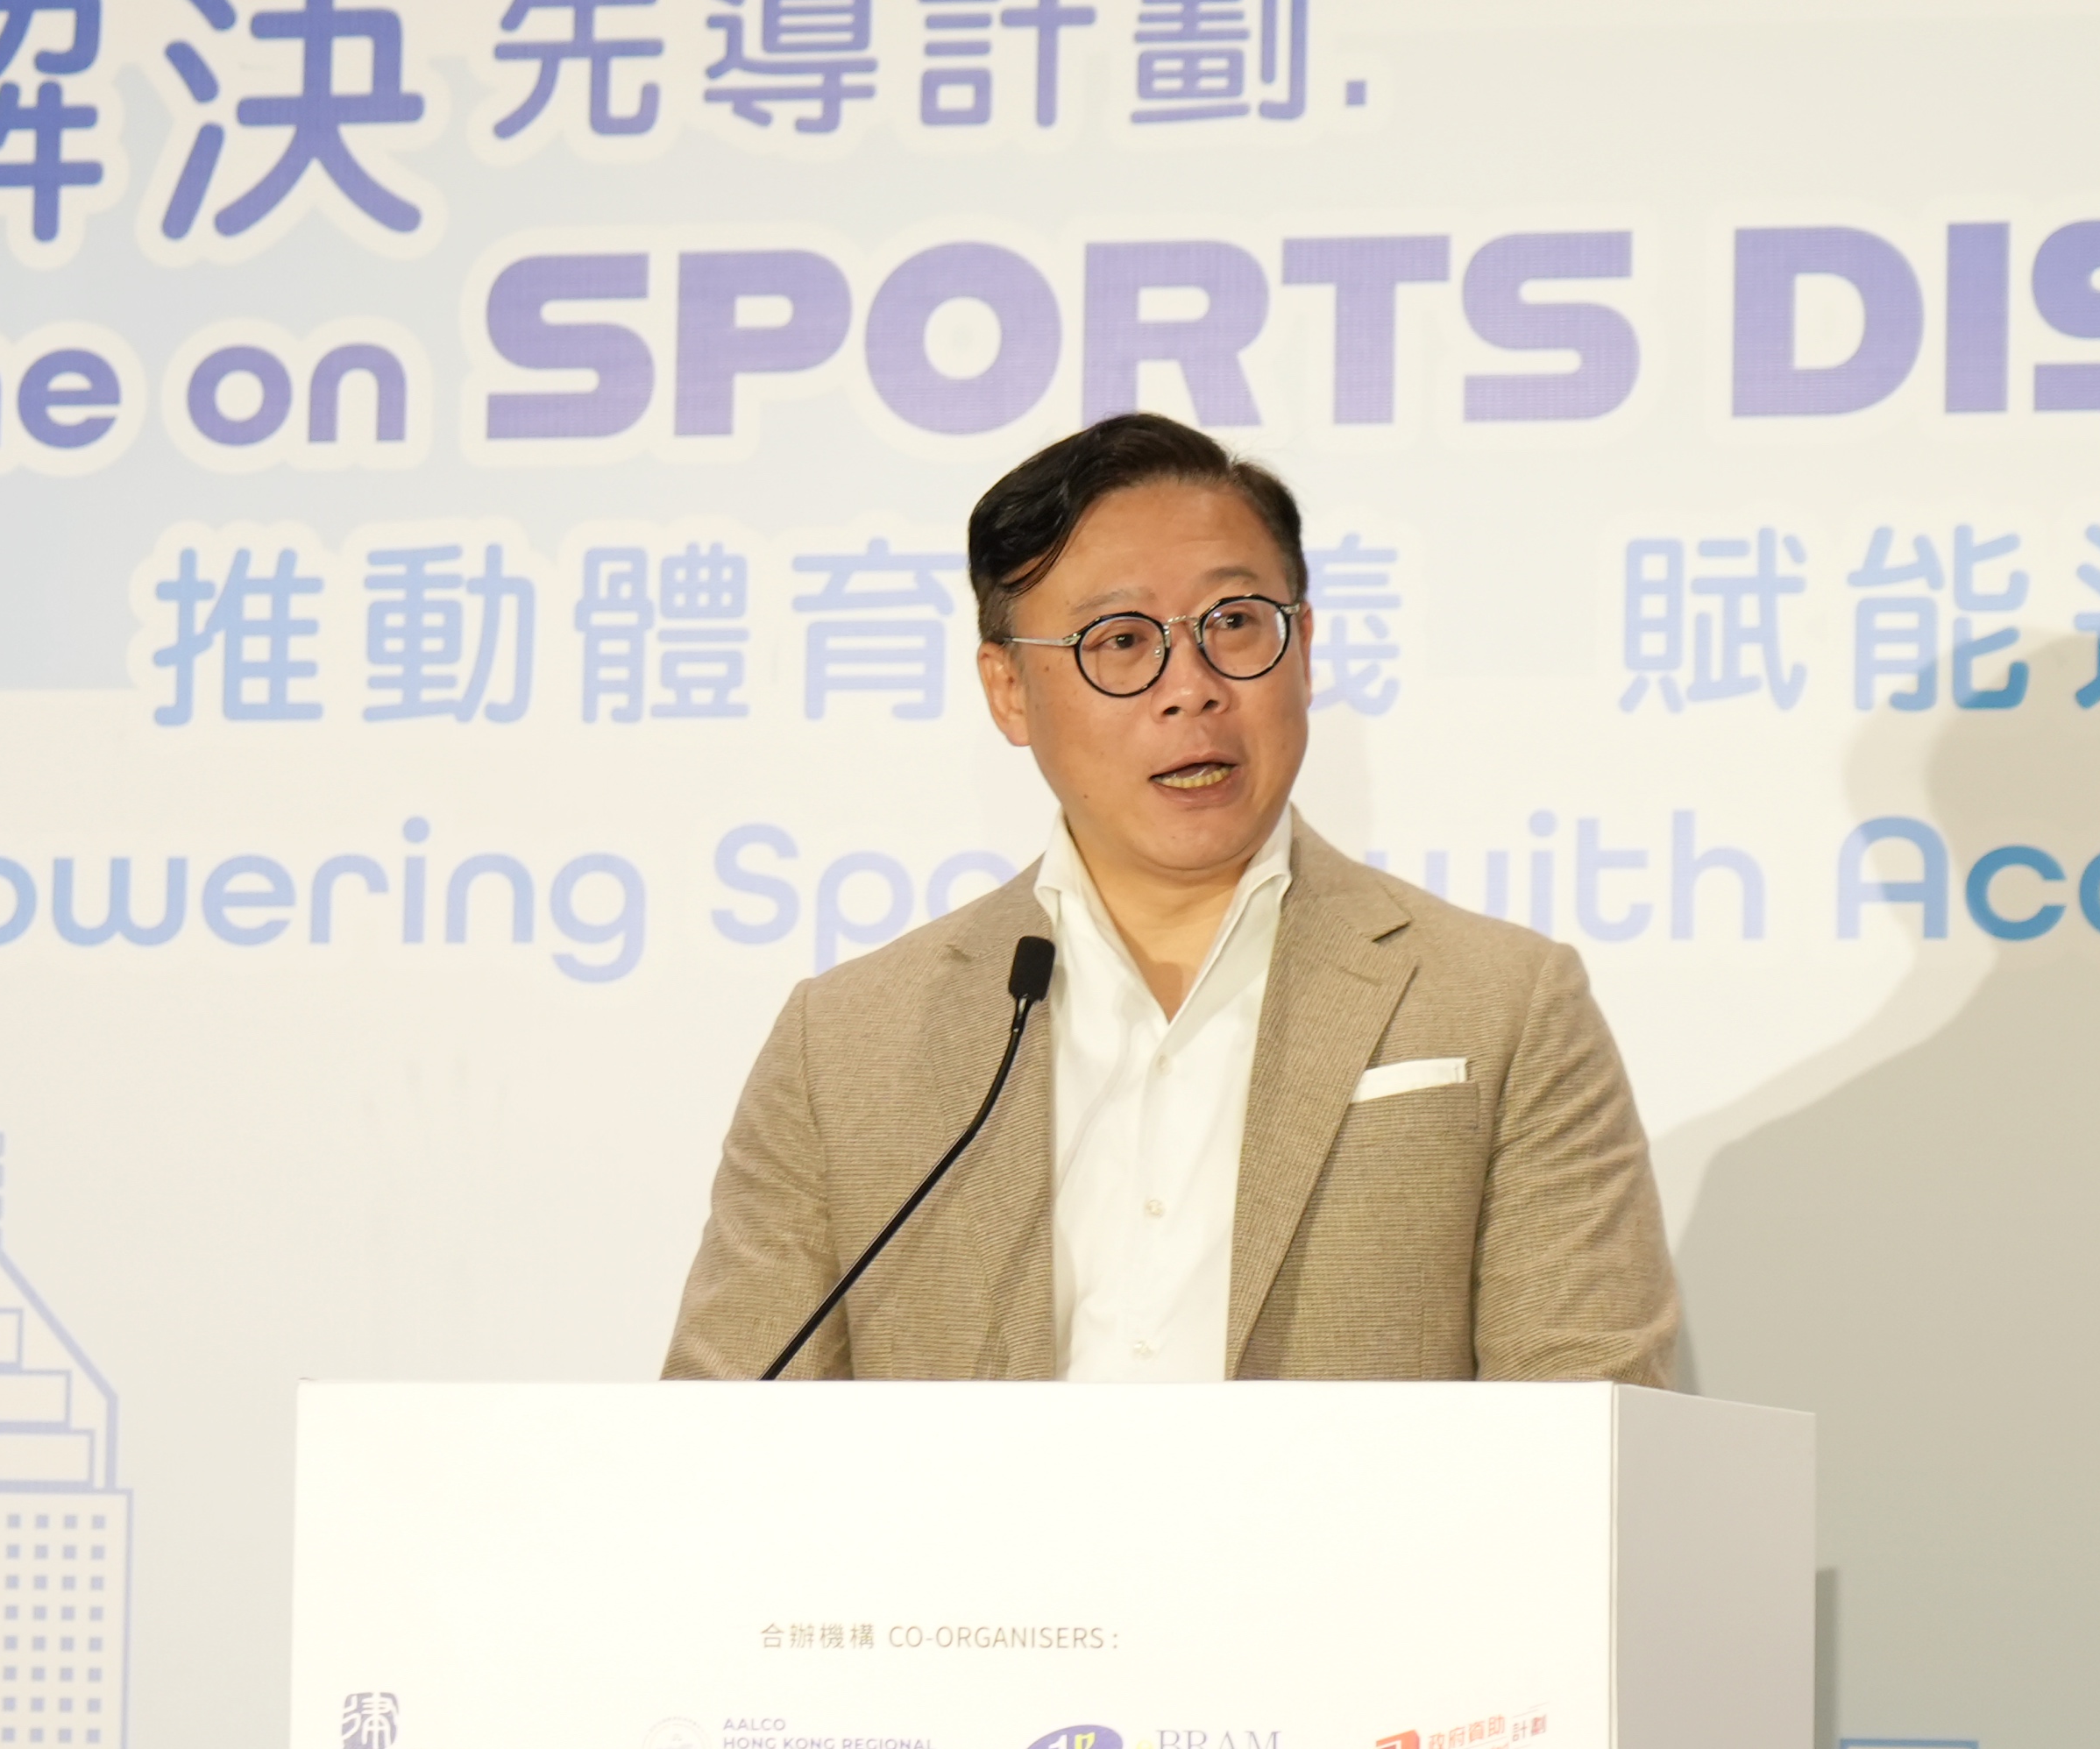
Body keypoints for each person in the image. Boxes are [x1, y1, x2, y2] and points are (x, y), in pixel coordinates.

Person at [663, 413, 1679, 1381]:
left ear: (1303, 650)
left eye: (1233, 623)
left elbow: (1589, 1412)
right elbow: (723, 1435)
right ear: (1009, 689)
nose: (1190, 684)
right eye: (1119, 640)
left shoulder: (1502, 1004)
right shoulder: (844, 1046)